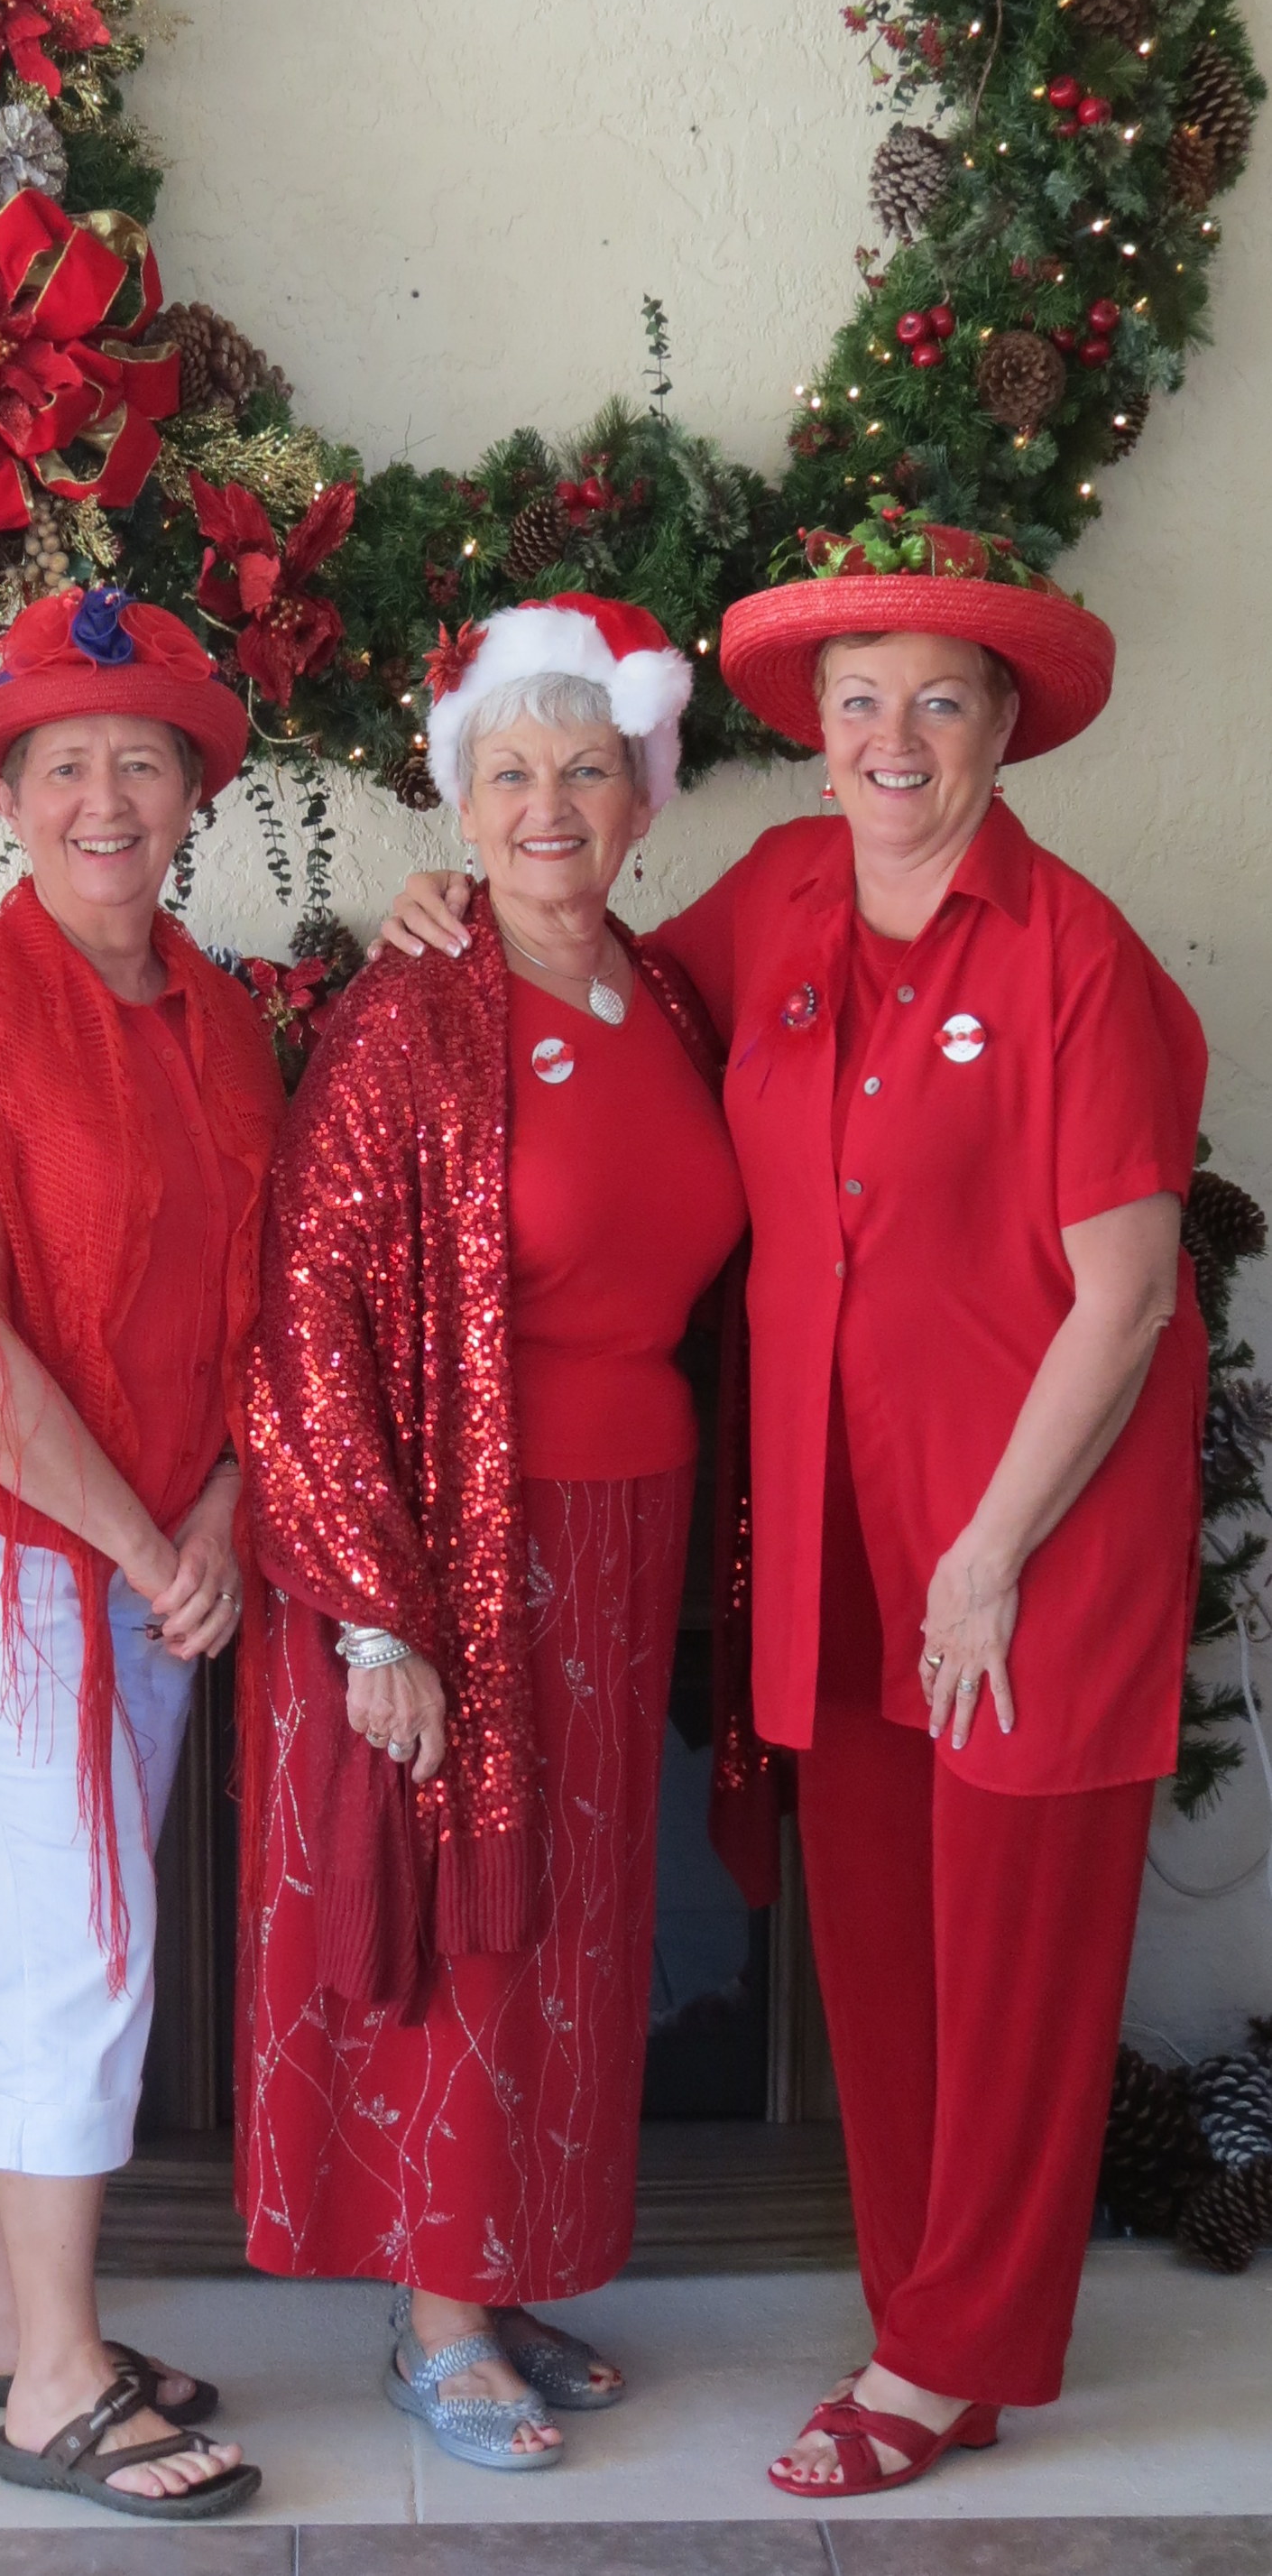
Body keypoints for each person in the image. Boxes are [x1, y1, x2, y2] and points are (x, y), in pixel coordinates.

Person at [377, 521, 1209, 2498]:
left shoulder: (1074, 958)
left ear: (1000, 725)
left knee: (1010, 1969)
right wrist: (451, 902)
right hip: (835, 1542)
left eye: (936, 700)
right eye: (856, 701)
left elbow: (1124, 1296)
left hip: (1027, 1543)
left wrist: (989, 1559)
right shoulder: (778, 895)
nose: (890, 737)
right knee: (889, 1964)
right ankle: (927, 2323)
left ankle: (940, 2362)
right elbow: (587, 991)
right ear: (814, 730)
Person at [239, 595, 748, 2472]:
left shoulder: (663, 995)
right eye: (510, 772)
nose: (548, 807)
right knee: (468, 1901)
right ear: (459, 804)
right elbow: (304, 1309)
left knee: (574, 1921)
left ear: (641, 799)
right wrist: (374, 1611)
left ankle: (508, 2259)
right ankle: (436, 2311)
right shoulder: (409, 1013)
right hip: (462, 1533)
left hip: (628, 1526)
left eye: (585, 771)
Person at [0, 583, 280, 2524]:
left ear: (191, 792)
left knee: (70, 1929)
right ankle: (52, 2387)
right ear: (9, 797)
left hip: (158, 1540)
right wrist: (136, 1532)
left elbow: (266, 1304)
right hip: (8, 1538)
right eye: (62, 766)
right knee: (86, 1945)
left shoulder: (226, 1017)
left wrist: (219, 1509)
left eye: (139, 762)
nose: (102, 799)